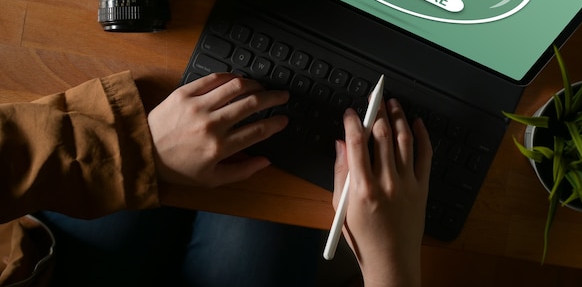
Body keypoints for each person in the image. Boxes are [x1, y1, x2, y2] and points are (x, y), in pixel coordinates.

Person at [0, 71, 432, 287]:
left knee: (251, 141)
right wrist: (389, 262)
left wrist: (138, 152)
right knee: (274, 175)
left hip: (45, 261)